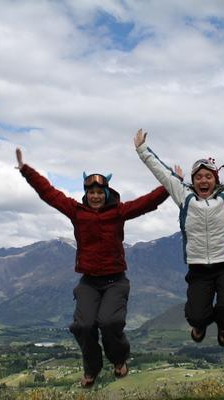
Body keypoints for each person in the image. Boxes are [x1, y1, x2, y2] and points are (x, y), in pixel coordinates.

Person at [15, 148, 169, 387]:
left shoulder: (118, 212)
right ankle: (92, 369)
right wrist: (27, 171)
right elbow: (50, 194)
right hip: (89, 281)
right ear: (86, 194)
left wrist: (171, 183)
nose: (96, 196)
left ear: (106, 193)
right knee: (83, 326)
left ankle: (119, 359)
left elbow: (147, 202)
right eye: (91, 192)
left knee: (109, 323)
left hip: (116, 281)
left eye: (100, 192)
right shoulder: (77, 212)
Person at [134, 126, 224, 346]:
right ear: (193, 181)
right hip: (198, 268)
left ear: (215, 179)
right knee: (195, 316)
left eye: (208, 176)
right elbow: (163, 174)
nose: (203, 180)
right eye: (199, 177)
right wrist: (142, 150)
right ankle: (200, 325)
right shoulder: (184, 196)